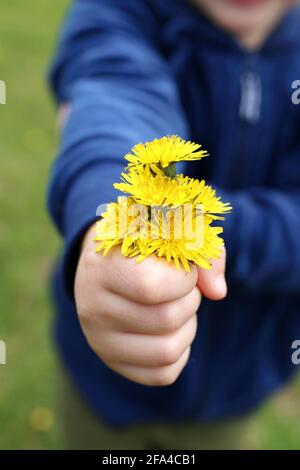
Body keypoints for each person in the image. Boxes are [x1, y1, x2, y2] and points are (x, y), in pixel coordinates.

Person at [48, 0, 300, 449]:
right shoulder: (119, 12)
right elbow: (115, 102)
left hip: (231, 388)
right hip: (102, 382)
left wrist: (196, 226)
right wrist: (115, 211)